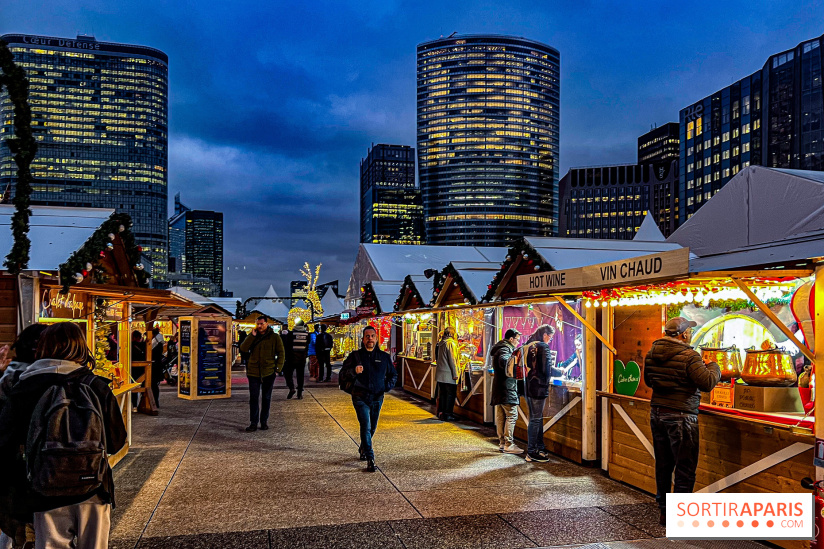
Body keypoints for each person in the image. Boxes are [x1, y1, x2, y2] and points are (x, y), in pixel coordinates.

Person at [0, 322, 126, 549]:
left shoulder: (24, 387)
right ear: (81, 348)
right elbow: (116, 442)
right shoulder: (96, 385)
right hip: (94, 488)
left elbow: (6, 442)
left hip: (43, 490)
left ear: (43, 348)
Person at [644, 316, 721, 526]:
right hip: (681, 416)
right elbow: (707, 383)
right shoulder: (690, 356)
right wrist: (714, 366)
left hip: (657, 412)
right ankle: (680, 516)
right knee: (685, 467)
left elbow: (649, 381)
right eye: (690, 332)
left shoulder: (652, 353)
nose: (690, 335)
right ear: (684, 334)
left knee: (664, 464)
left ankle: (664, 511)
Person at [0, 324, 48, 549]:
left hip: (11, 456)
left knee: (14, 516)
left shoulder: (11, 372)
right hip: (29, 457)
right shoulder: (38, 375)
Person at [339, 326, 397, 472]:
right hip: (360, 397)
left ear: (376, 338)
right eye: (367, 336)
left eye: (372, 336)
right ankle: (370, 459)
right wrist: (354, 371)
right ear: (363, 339)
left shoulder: (383, 357)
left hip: (377, 397)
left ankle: (364, 447)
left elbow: (393, 375)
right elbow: (342, 374)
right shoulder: (355, 356)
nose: (370, 339)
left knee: (372, 427)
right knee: (365, 426)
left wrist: (386, 387)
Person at [239, 316, 285, 432]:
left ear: (266, 324)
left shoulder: (275, 337)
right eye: (257, 324)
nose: (259, 326)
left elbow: (281, 353)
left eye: (261, 324)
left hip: (269, 372)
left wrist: (277, 369)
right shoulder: (253, 336)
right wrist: (251, 336)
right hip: (253, 372)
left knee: (266, 397)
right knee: (254, 398)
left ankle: (264, 421)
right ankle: (253, 422)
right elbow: (243, 348)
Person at [524, 325, 555, 462]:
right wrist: (558, 372)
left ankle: (539, 447)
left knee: (535, 418)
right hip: (539, 387)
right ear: (545, 335)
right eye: (550, 337)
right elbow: (545, 369)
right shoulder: (543, 347)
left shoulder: (528, 345)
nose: (550, 340)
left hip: (528, 386)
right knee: (535, 419)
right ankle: (531, 451)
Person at [490, 329, 523, 454]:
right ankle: (509, 443)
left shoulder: (500, 348)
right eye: (517, 340)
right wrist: (515, 363)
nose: (518, 342)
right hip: (506, 388)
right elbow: (505, 362)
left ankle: (502, 443)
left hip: (500, 388)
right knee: (511, 415)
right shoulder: (505, 349)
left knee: (501, 416)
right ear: (511, 339)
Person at [435, 328, 459, 421]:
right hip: (448, 374)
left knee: (443, 394)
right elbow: (452, 360)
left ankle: (442, 413)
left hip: (441, 373)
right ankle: (448, 414)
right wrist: (455, 373)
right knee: (450, 395)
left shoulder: (441, 343)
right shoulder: (450, 344)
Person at [282, 321, 309, 399]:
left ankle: (291, 388)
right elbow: (307, 346)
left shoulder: (291, 334)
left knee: (287, 374)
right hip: (302, 359)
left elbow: (287, 346)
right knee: (300, 376)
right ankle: (299, 393)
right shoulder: (307, 334)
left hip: (291, 358)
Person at [130, 330, 146, 409]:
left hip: (132, 369)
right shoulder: (144, 345)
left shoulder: (130, 345)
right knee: (143, 386)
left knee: (133, 387)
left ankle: (135, 405)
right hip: (143, 370)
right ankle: (141, 404)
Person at [150, 327, 164, 407]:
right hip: (157, 366)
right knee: (155, 385)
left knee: (153, 385)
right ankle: (155, 401)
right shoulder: (159, 343)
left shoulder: (154, 344)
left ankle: (154, 402)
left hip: (154, 367)